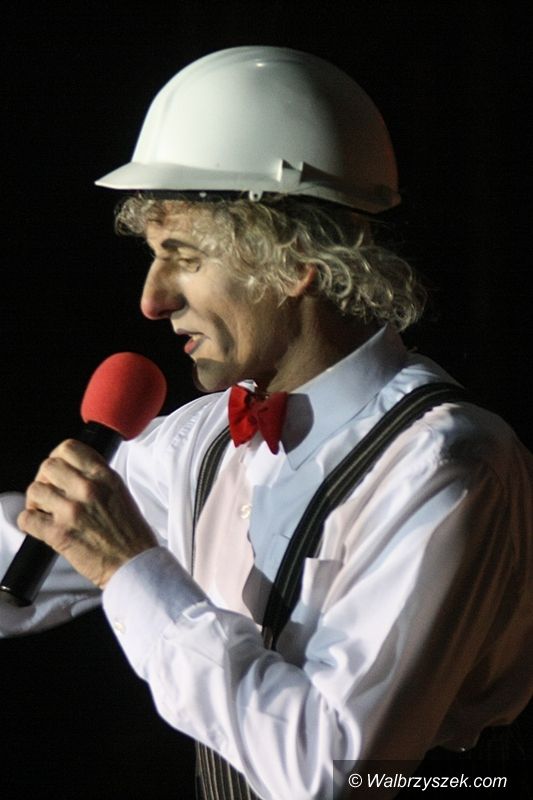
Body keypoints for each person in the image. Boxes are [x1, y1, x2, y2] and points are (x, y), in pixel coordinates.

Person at [0, 46, 532, 800]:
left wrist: (129, 567)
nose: (152, 301)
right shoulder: (200, 440)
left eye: (183, 256)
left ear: (295, 260)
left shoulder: (450, 464)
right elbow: (25, 547)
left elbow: (332, 771)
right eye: (154, 258)